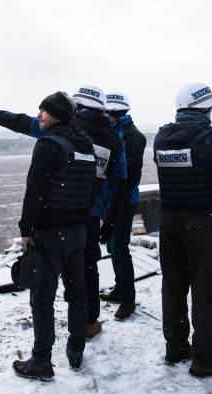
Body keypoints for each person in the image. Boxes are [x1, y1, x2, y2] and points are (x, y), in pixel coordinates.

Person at [0, 85, 128, 339]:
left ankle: (45, 345)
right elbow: (120, 183)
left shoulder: (62, 132)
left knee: (46, 281)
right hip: (90, 216)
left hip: (57, 216)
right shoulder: (114, 141)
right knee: (86, 270)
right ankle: (86, 324)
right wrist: (112, 221)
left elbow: (23, 123)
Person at [154, 83, 212, 377]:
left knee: (174, 286)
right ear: (207, 108)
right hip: (203, 222)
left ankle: (176, 346)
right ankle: (204, 358)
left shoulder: (161, 137)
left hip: (168, 220)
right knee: (207, 288)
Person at [98, 91, 147, 321]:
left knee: (120, 249)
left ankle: (128, 299)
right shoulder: (114, 131)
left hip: (124, 201)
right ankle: (120, 290)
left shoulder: (133, 136)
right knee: (112, 248)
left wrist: (118, 201)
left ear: (114, 112)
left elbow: (131, 175)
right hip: (111, 198)